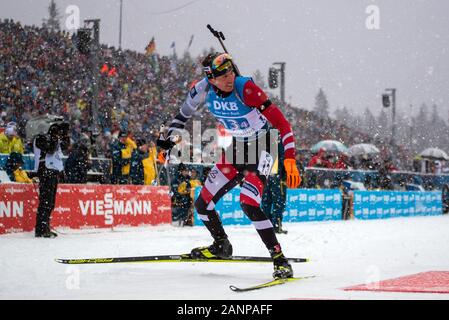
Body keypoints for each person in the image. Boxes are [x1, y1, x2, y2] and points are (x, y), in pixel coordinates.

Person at [158, 52, 301, 279]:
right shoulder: (202, 89)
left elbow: (282, 124)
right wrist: (167, 141)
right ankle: (221, 245)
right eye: (222, 75)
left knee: (249, 203)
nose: (229, 77)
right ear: (211, 79)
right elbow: (182, 115)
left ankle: (279, 259)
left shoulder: (245, 88)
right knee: (202, 203)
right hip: (236, 149)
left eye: (231, 71)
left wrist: (290, 158)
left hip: (263, 146)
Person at [33, 121, 70, 238]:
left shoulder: (55, 140)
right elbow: (50, 150)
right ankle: (41, 229)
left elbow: (63, 148)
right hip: (46, 172)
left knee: (50, 203)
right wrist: (54, 136)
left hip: (53, 172)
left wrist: (65, 135)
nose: (58, 135)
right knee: (45, 202)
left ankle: (45, 227)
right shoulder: (41, 138)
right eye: (57, 132)